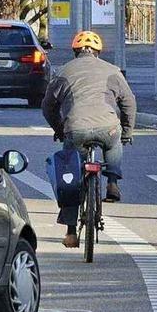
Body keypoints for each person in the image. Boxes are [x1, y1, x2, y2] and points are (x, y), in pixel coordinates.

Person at [42, 31, 137, 248]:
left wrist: (59, 129)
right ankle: (112, 182)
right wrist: (127, 131)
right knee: (114, 139)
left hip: (76, 130)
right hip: (108, 127)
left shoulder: (63, 72)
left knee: (71, 175)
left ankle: (71, 231)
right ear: (98, 52)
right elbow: (129, 103)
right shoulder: (113, 71)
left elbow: (47, 107)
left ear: (76, 52)